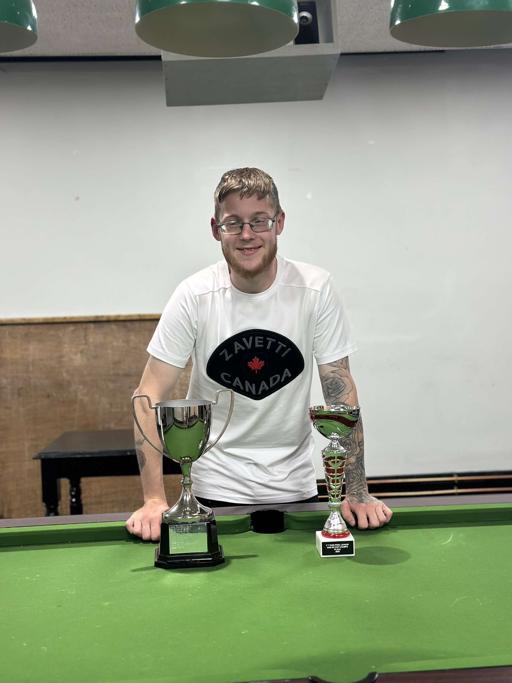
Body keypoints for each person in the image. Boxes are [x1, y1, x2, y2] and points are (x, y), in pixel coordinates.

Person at [126, 167, 392, 541]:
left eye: (259, 221)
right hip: (213, 490)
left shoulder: (315, 289)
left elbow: (340, 392)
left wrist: (357, 491)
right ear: (216, 229)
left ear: (279, 222)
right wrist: (154, 498)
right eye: (233, 223)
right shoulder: (194, 295)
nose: (247, 234)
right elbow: (148, 395)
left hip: (296, 490)